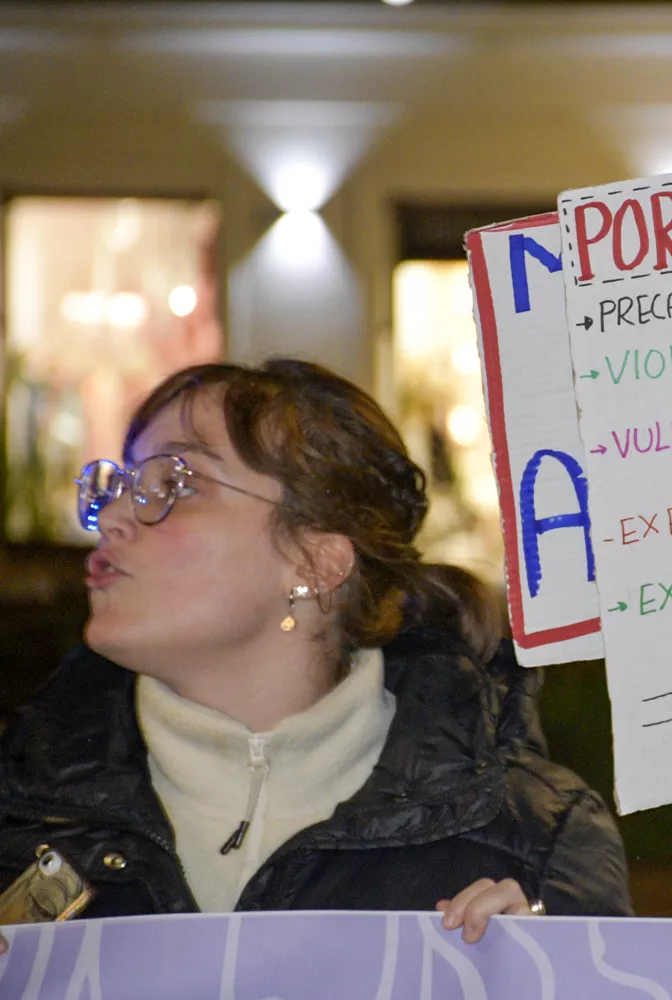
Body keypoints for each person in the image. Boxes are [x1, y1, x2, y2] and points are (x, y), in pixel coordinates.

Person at [0, 359, 630, 955]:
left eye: (175, 484)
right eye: (121, 486)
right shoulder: (19, 802)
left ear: (315, 561)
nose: (110, 516)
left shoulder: (529, 834)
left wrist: (549, 966)